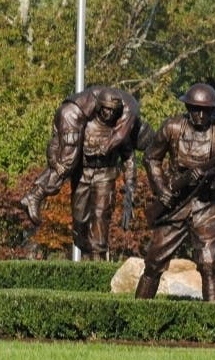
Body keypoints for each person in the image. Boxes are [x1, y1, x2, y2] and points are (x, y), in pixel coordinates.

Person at [134, 83, 215, 302]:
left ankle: (213, 321)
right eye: (195, 109)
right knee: (154, 262)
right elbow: (151, 158)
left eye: (206, 110)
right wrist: (162, 189)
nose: (200, 115)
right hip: (175, 204)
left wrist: (214, 176)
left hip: (208, 205)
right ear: (187, 107)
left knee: (209, 264)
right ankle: (137, 314)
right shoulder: (172, 127)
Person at [19, 86, 145, 260]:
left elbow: (128, 156)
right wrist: (55, 162)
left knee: (101, 216)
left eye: (112, 110)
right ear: (99, 106)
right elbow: (55, 145)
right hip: (82, 175)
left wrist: (130, 186)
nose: (109, 113)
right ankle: (86, 253)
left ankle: (98, 257)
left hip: (105, 175)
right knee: (80, 220)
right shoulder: (81, 124)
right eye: (106, 109)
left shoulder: (117, 129)